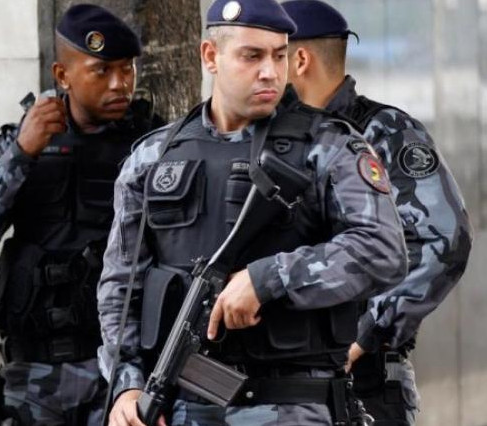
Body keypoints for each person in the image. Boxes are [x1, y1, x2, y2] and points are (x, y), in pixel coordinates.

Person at [98, 0, 410, 424]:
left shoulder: (328, 147)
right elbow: (121, 285)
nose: (270, 71)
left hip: (296, 406)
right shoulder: (154, 157)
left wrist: (268, 280)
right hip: (182, 406)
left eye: (279, 55)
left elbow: (383, 250)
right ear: (210, 56)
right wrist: (127, 385)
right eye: (252, 56)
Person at [0, 4, 163, 424]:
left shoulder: (154, 146)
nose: (120, 84)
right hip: (34, 377)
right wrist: (21, 154)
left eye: (127, 69)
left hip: (118, 372)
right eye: (102, 71)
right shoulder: (19, 141)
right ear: (63, 76)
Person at [281, 1, 473, 424]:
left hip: (363, 383)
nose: (261, 70)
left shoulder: (382, 132)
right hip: (281, 385)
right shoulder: (273, 138)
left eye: (270, 55)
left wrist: (368, 332)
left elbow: (444, 239)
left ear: (298, 59)